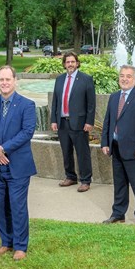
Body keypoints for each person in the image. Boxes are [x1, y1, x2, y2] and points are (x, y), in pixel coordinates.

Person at [0, 65, 37, 261]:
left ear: (15, 81)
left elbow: (27, 132)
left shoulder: (27, 105)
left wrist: (4, 149)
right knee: (0, 206)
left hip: (17, 165)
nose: (4, 83)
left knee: (17, 206)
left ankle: (20, 246)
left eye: (8, 79)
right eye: (1, 80)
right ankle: (6, 242)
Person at [101, 65, 135, 225]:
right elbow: (108, 121)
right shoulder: (114, 97)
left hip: (134, 150)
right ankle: (118, 214)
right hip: (115, 147)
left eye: (128, 76)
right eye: (122, 75)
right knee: (119, 184)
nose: (124, 79)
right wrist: (105, 142)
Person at [50, 51, 96, 192]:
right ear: (64, 64)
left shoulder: (86, 79)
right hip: (62, 122)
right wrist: (53, 120)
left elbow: (91, 104)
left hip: (80, 123)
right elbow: (55, 102)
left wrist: (89, 122)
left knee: (83, 152)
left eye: (72, 61)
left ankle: (85, 180)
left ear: (77, 63)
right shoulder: (59, 80)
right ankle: (70, 177)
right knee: (66, 151)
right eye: (67, 62)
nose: (70, 64)